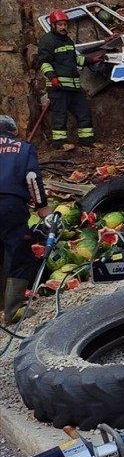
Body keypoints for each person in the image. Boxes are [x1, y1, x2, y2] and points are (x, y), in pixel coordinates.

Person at [0, 115, 48, 325]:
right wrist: (41, 206)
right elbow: (32, 178)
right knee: (18, 254)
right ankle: (12, 310)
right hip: (10, 206)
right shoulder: (23, 148)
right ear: (13, 131)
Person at [37, 10, 96, 150]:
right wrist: (52, 77)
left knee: (84, 112)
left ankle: (86, 141)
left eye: (65, 24)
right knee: (60, 115)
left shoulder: (68, 41)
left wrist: (91, 60)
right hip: (58, 87)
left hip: (74, 86)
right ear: (53, 25)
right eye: (60, 25)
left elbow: (76, 60)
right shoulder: (47, 41)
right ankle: (60, 143)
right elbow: (43, 62)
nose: (63, 27)